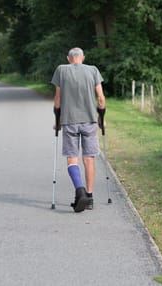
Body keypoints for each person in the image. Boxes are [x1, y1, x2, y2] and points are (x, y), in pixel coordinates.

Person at [51, 47, 106, 213]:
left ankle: (79, 189)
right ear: (83, 58)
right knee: (89, 159)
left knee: (72, 159)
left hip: (69, 121)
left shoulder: (61, 70)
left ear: (69, 58)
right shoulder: (93, 70)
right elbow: (101, 99)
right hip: (89, 121)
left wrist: (57, 120)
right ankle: (89, 197)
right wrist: (101, 119)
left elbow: (58, 99)